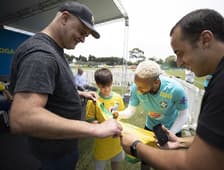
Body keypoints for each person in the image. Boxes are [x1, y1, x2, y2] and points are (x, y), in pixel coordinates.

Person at [120, 9, 224, 170]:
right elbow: (221, 142)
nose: (178, 63)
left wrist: (136, 146)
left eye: (180, 53)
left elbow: (196, 164)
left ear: (206, 39)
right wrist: (181, 141)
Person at [8, 1, 122, 170]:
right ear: (64, 18)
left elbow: (53, 88)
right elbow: (23, 118)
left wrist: (79, 94)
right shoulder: (41, 55)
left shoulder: (54, 49)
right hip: (51, 158)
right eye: (82, 32)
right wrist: (93, 129)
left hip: (60, 150)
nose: (83, 39)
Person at [115, 60, 188, 170]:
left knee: (168, 164)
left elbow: (183, 115)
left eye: (142, 87)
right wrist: (118, 114)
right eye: (136, 85)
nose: (138, 90)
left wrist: (170, 134)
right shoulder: (136, 87)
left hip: (172, 130)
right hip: (149, 129)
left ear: (156, 83)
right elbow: (130, 111)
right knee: (145, 162)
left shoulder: (175, 90)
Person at [86, 68, 125, 170]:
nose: (107, 89)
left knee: (116, 163)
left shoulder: (118, 98)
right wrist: (100, 125)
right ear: (97, 84)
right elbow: (89, 119)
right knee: (100, 166)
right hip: (102, 143)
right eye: (103, 87)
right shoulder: (93, 100)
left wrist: (118, 123)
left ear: (112, 82)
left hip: (115, 142)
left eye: (109, 85)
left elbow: (121, 116)